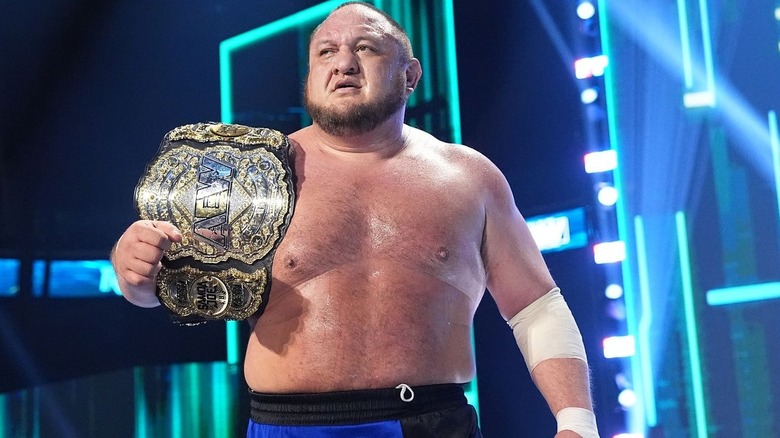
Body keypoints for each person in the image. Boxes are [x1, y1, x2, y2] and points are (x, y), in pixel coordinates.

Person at [111, 2, 599, 437]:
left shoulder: (469, 178)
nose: (343, 63)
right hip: (291, 426)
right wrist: (132, 270)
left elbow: (536, 307)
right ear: (309, 76)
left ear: (409, 75)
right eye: (326, 52)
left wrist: (577, 421)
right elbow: (170, 287)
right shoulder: (248, 176)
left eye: (365, 48)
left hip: (432, 422)